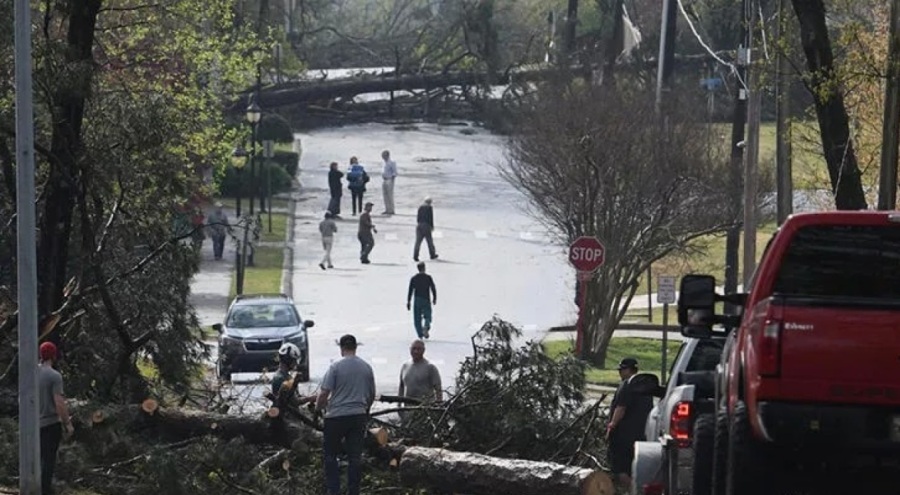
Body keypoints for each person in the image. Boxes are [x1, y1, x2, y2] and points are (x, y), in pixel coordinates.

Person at [314, 335, 376, 495]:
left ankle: (334, 490)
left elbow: (324, 393)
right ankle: (353, 491)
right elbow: (371, 394)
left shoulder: (335, 367)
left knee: (330, 455)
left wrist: (318, 409)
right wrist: (365, 410)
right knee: (355, 457)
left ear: (341, 348)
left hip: (336, 416)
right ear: (356, 347)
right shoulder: (366, 367)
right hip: (357, 416)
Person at [605, 357, 654, 489]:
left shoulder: (627, 384)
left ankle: (632, 490)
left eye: (622, 370)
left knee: (620, 469)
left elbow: (621, 408)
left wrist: (611, 426)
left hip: (623, 435)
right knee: (635, 468)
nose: (620, 372)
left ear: (629, 370)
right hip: (641, 435)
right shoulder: (644, 386)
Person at [38, 342, 73, 495]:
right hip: (50, 423)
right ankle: (44, 490)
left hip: (33, 424)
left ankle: (34, 486)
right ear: (53, 356)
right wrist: (68, 423)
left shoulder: (31, 373)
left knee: (36, 458)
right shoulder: (54, 376)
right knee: (48, 460)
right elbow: (59, 402)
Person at [406, 261, 437, 339]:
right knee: (428, 315)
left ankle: (420, 334)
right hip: (426, 299)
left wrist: (408, 301)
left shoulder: (414, 278)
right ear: (424, 268)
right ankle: (426, 326)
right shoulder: (428, 278)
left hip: (417, 299)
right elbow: (433, 288)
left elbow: (410, 290)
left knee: (417, 318)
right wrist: (434, 298)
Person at [414, 197, 438, 262]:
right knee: (429, 241)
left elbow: (418, 218)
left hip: (419, 225)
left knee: (418, 242)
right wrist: (432, 226)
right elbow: (430, 218)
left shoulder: (420, 207)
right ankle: (432, 254)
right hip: (426, 225)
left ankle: (415, 256)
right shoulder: (429, 208)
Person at [380, 150, 397, 215]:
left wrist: (392, 179)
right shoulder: (384, 163)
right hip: (384, 179)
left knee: (390, 195)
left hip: (389, 179)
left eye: (383, 155)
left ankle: (391, 210)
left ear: (387, 155)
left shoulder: (392, 162)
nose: (382, 157)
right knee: (385, 195)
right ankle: (387, 209)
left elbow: (395, 172)